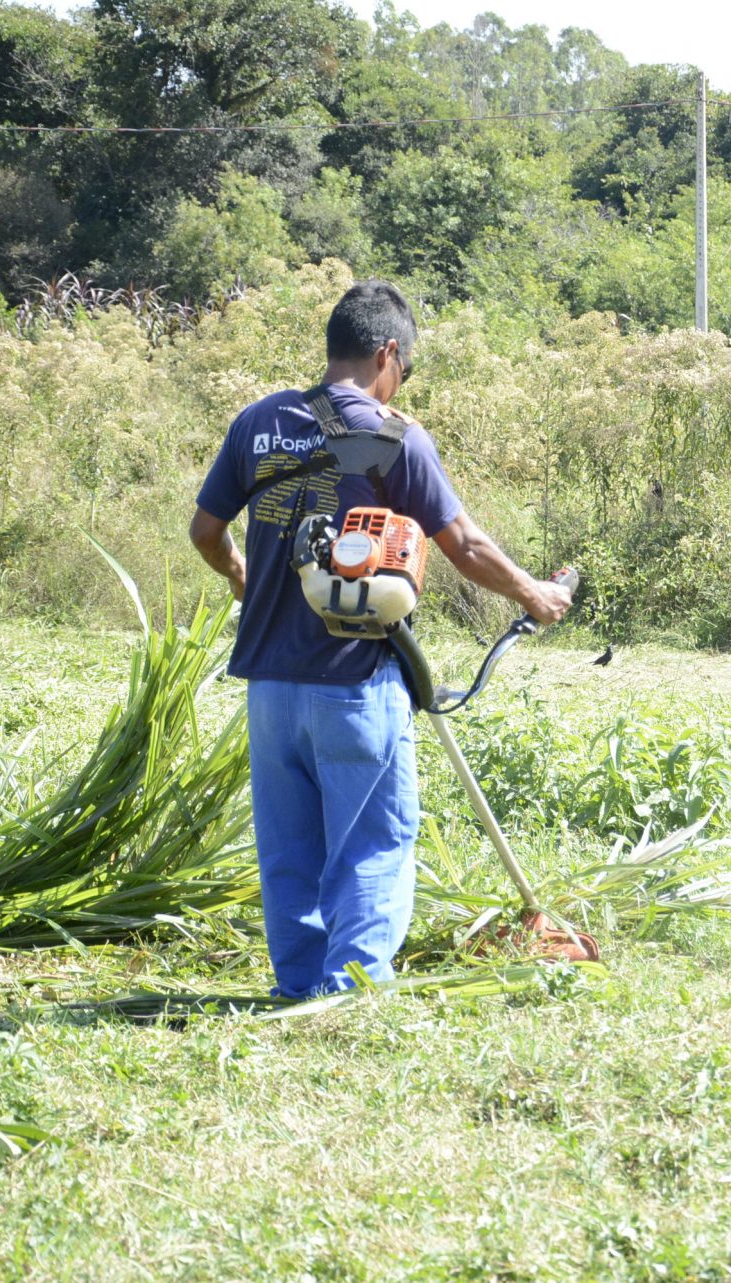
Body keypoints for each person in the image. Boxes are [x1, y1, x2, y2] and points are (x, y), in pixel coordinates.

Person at [189, 280, 572, 999]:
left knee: (289, 851)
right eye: (406, 369)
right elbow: (465, 546)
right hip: (354, 683)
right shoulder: (395, 436)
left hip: (269, 688)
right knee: (371, 841)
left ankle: (298, 991)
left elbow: (206, 532)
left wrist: (244, 580)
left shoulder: (257, 423)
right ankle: (351, 995)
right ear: (388, 354)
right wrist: (535, 594)